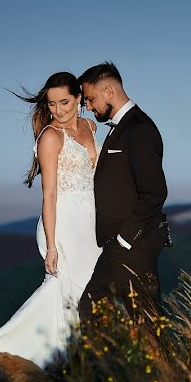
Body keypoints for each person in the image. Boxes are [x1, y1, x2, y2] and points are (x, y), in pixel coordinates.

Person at [0, 72, 102, 367]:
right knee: (66, 289)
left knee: (88, 288)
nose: (58, 110)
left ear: (78, 98)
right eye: (51, 104)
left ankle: (78, 355)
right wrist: (51, 245)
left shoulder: (90, 126)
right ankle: (47, 355)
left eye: (64, 102)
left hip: (91, 223)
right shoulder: (50, 136)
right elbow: (48, 196)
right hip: (62, 224)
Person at [78, 62, 169, 323]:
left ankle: (98, 364)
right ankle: (150, 363)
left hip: (132, 244)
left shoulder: (139, 129)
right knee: (144, 319)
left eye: (90, 99)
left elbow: (154, 193)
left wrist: (124, 240)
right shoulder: (124, 127)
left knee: (95, 308)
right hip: (124, 244)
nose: (90, 106)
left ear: (108, 91)